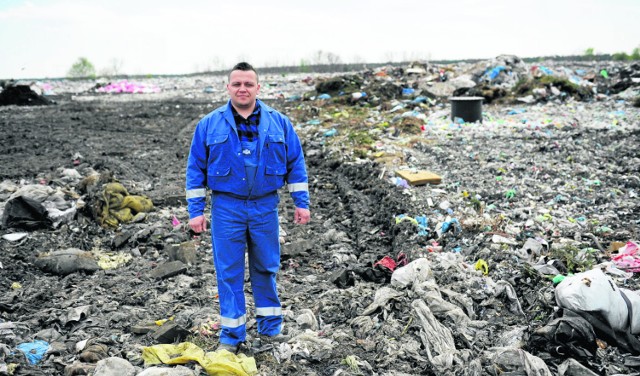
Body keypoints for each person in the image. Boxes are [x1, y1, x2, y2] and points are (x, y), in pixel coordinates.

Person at [185, 62, 311, 353]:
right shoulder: (208, 125)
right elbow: (195, 170)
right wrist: (195, 211)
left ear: (258, 87)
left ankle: (270, 329)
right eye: (237, 84)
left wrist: (301, 204)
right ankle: (231, 336)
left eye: (248, 84)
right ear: (228, 87)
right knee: (228, 272)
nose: (243, 89)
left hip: (265, 207)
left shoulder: (279, 123)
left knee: (266, 267)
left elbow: (296, 165)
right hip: (226, 208)